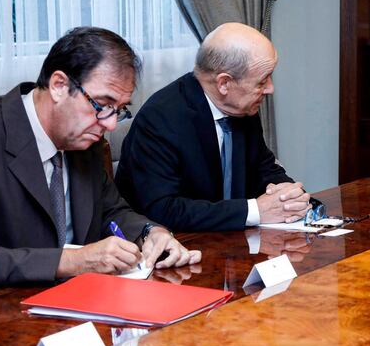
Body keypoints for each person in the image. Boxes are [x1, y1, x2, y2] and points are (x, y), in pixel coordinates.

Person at [0, 27, 201, 285]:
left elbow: (110, 209)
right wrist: (71, 262)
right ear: (58, 85)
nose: (110, 125)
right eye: (102, 104)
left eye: (118, 110)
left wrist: (150, 233)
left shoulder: (86, 138)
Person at [116, 23, 311, 232]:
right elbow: (163, 209)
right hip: (175, 247)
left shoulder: (242, 109)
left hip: (233, 242)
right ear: (224, 83)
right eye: (262, 82)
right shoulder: (161, 118)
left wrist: (290, 197)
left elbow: (264, 169)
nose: (270, 89)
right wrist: (254, 211)